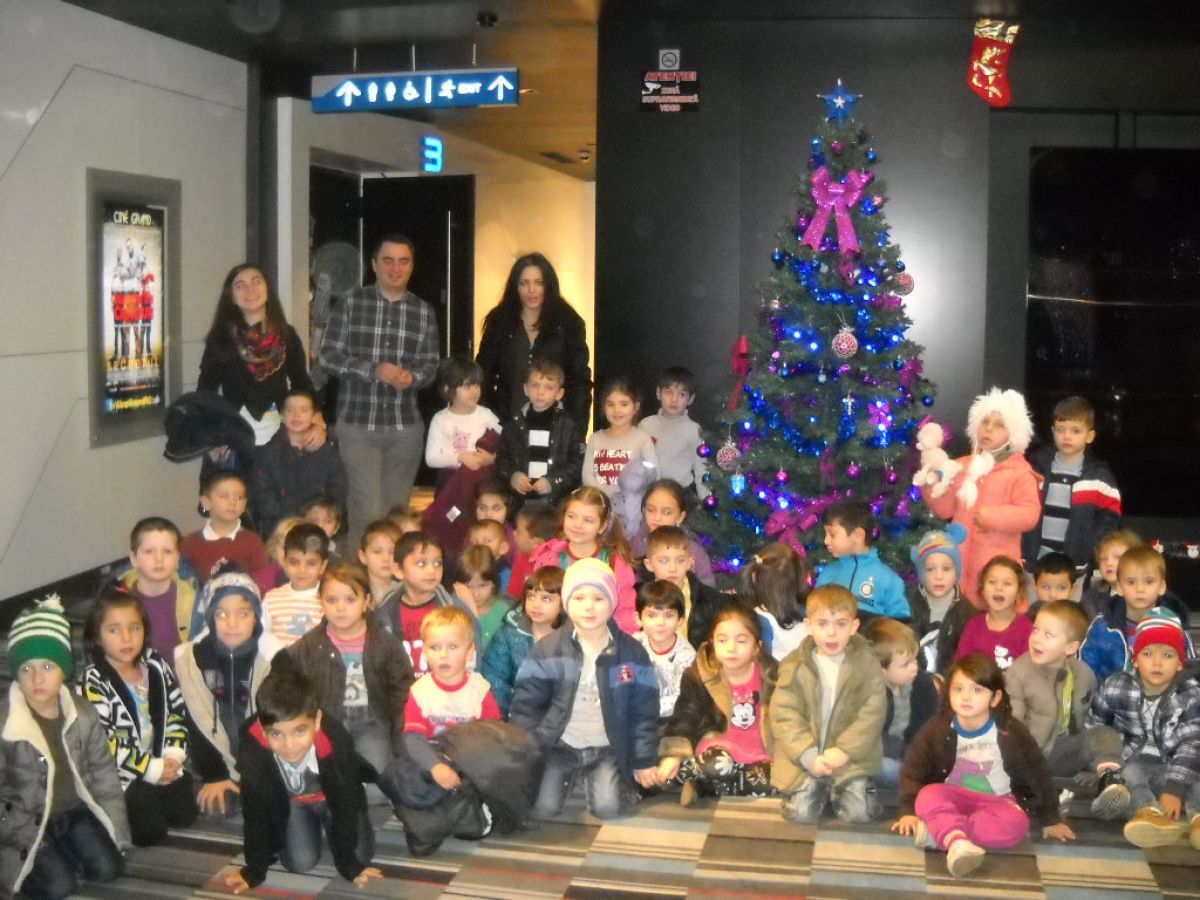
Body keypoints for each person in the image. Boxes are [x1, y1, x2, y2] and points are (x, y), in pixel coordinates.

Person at [891, 654, 1074, 880]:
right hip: (953, 797)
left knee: (1017, 824)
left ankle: (944, 834)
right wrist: (908, 811)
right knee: (928, 795)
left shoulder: (1011, 731)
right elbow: (912, 770)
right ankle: (955, 839)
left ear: (995, 698)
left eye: (977, 690)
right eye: (958, 689)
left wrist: (1050, 818)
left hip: (998, 802)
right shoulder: (937, 728)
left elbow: (1039, 771)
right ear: (948, 693)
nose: (966, 697)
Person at [510, 558, 660, 820]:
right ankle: (572, 777)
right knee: (543, 809)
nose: (589, 607)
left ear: (612, 603)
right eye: (579, 598)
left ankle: (611, 780)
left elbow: (644, 711)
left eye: (598, 599)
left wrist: (643, 760)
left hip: (608, 747)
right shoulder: (547, 650)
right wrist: (528, 751)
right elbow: (526, 706)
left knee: (608, 809)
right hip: (561, 745)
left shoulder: (632, 653)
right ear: (567, 603)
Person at [1, 596, 130, 900]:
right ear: (16, 673)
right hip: (25, 821)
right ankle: (37, 859)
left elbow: (104, 775)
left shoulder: (83, 714)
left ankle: (59, 854)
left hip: (72, 813)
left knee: (109, 868)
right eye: (27, 669)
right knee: (59, 887)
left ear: (65, 670)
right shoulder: (6, 724)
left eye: (48, 666)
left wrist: (117, 831)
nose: (37, 678)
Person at [318, 233, 440, 538]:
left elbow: (430, 366)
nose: (395, 268)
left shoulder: (423, 312)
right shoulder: (350, 303)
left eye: (403, 261)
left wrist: (412, 377)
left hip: (404, 427)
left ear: (412, 266)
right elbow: (328, 356)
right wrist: (374, 370)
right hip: (358, 425)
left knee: (396, 513)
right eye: (388, 260)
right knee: (366, 509)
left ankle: (393, 568)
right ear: (374, 264)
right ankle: (361, 568)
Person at [224, 668, 381, 894]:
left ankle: (335, 827)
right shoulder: (252, 750)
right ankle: (311, 825)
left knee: (360, 856)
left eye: (299, 731)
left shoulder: (335, 742)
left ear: (317, 721)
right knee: (299, 862)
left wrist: (348, 863)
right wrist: (255, 869)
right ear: (262, 728)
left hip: (335, 797)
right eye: (276, 734)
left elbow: (346, 802)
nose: (289, 746)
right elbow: (255, 811)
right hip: (293, 801)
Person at [81, 588, 196, 847]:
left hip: (158, 758)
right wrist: (149, 769)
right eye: (114, 630)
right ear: (97, 636)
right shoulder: (94, 682)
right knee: (149, 833)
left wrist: (172, 756)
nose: (126, 638)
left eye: (134, 628)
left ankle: (158, 787)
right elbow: (104, 744)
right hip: (120, 773)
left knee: (185, 815)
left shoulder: (155, 666)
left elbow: (176, 714)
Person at [274, 563, 414, 776]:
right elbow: (286, 681)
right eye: (331, 600)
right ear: (320, 602)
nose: (340, 608)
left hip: (372, 725)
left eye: (350, 600)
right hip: (326, 725)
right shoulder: (310, 645)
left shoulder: (385, 644)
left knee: (377, 781)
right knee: (327, 779)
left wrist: (400, 740)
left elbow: (401, 694)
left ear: (366, 601)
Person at [383, 607, 502, 855]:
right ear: (424, 651)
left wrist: (460, 765)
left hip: (465, 762)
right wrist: (435, 767)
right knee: (403, 777)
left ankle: (452, 814)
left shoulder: (480, 690)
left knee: (475, 823)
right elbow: (413, 739)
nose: (443, 655)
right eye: (434, 647)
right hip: (428, 761)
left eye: (453, 647)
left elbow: (491, 738)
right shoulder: (420, 691)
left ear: (470, 651)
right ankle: (427, 816)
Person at [769, 585, 885, 824]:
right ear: (808, 626)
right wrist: (809, 756)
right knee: (800, 814)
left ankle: (846, 787)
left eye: (841, 624)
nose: (831, 633)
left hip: (850, 759)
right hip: (806, 760)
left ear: (854, 626)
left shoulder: (867, 664)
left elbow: (871, 713)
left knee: (859, 814)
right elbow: (784, 714)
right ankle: (815, 787)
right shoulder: (794, 666)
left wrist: (845, 751)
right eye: (822, 624)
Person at [1086, 609, 1200, 849]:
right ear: (1135, 660)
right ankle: (1148, 814)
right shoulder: (1116, 686)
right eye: (1148, 654)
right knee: (1129, 777)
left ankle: (1198, 820)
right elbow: (1096, 727)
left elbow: (1192, 744)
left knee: (1197, 780)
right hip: (1135, 759)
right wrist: (1102, 764)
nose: (1157, 663)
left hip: (1178, 763)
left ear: (1180, 664)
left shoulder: (1190, 694)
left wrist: (1174, 788)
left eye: (1168, 655)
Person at [919, 387, 1041, 608]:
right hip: (960, 566)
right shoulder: (962, 466)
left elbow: (1029, 514)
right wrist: (930, 484)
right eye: (985, 422)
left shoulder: (1020, 473)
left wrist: (993, 517)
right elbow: (945, 509)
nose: (989, 428)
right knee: (961, 620)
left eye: (999, 425)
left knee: (994, 620)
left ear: (1013, 434)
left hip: (996, 573)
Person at [198, 263, 320, 470]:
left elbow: (301, 383)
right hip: (234, 439)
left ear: (267, 289)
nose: (250, 289)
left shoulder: (286, 335)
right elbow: (206, 391)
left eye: (256, 282)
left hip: (281, 436)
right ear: (231, 297)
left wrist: (316, 419)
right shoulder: (221, 338)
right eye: (240, 285)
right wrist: (211, 438)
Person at [175, 568, 273, 817]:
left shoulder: (272, 657)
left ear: (256, 617)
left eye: (243, 614)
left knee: (266, 807)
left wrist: (255, 773)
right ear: (210, 618)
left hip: (262, 755)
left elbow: (275, 721)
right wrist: (214, 775)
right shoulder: (193, 659)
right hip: (215, 753)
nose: (232, 624)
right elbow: (195, 720)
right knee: (217, 809)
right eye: (221, 614)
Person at [657, 606, 777, 804]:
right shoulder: (700, 675)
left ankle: (705, 784)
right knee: (717, 764)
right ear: (712, 642)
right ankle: (696, 777)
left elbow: (786, 719)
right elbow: (686, 715)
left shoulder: (772, 677)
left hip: (758, 754)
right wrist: (674, 754)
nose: (731, 648)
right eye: (722, 640)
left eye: (741, 641)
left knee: (780, 778)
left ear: (757, 646)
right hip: (718, 750)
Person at [476, 251, 591, 433]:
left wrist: (576, 430)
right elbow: (482, 374)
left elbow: (579, 382)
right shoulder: (499, 322)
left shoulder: (569, 323)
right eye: (524, 283)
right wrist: (491, 420)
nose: (531, 290)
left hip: (556, 428)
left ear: (548, 285)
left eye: (538, 282)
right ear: (515, 287)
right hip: (507, 425)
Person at [1021, 395, 1122, 572]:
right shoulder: (1035, 468)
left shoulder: (1098, 477)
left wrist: (1089, 548)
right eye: (1060, 430)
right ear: (1053, 431)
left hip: (1075, 567)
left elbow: (1110, 519)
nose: (1066, 436)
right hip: (1034, 562)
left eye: (1076, 431)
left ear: (1090, 436)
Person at [1004, 600, 1101, 776]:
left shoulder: (1084, 674)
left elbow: (1089, 716)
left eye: (1048, 634)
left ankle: (1107, 778)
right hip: (1030, 757)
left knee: (1103, 735)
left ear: (1070, 647)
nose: (1037, 638)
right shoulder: (1018, 673)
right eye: (1035, 629)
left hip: (1065, 751)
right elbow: (1012, 725)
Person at [529, 487, 639, 634]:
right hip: (555, 637)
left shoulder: (614, 561)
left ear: (602, 526)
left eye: (588, 520)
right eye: (571, 516)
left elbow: (625, 610)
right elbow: (537, 602)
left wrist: (619, 640)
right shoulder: (549, 557)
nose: (577, 525)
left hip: (602, 637)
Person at [1080, 544, 1193, 682]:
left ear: (1161, 587)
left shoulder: (1174, 625)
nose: (1140, 589)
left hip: (1163, 694)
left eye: (1149, 581)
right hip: (1112, 693)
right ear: (1119, 587)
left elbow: (1190, 670)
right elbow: (1086, 669)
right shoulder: (1103, 626)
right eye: (1131, 582)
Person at [376, 531, 480, 671]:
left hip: (447, 684)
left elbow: (473, 657)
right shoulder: (384, 612)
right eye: (421, 563)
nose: (432, 570)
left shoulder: (455, 609)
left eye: (438, 563)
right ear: (399, 570)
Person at [251, 387, 347, 537]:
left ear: (314, 417)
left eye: (304, 410)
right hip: (281, 529)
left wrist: (319, 515)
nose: (296, 415)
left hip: (318, 528)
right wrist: (292, 518)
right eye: (290, 410)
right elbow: (264, 496)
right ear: (282, 416)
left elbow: (338, 489)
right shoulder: (268, 453)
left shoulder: (327, 452)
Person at [862, 617, 938, 790]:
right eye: (905, 664)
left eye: (915, 659)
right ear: (881, 671)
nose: (914, 667)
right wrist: (902, 752)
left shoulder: (922, 685)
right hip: (886, 753)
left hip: (914, 757)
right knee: (881, 765)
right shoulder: (868, 692)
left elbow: (930, 728)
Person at [496, 358, 584, 508]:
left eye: (549, 387)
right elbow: (502, 459)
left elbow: (578, 463)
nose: (540, 392)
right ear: (526, 389)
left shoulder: (570, 426)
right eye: (535, 385)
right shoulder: (512, 425)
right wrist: (513, 475)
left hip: (557, 502)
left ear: (559, 393)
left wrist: (554, 481)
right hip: (519, 503)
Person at [481, 566, 565, 718]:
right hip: (515, 718)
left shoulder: (572, 639)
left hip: (559, 722)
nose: (536, 604)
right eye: (531, 596)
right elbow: (493, 679)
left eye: (546, 598)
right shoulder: (508, 633)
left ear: (564, 603)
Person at [118, 516, 199, 659]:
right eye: (149, 551)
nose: (159, 559)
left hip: (181, 672)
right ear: (134, 559)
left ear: (178, 559)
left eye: (167, 551)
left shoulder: (193, 600)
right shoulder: (119, 600)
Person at [640, 525, 733, 650]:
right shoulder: (641, 599)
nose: (672, 568)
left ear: (689, 562)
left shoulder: (709, 601)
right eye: (664, 561)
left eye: (680, 560)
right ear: (649, 564)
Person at [817, 500, 909, 620]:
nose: (826, 541)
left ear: (858, 535)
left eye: (832, 534)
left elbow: (901, 624)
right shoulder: (827, 574)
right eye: (826, 534)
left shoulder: (888, 579)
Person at [906, 525, 978, 677]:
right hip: (911, 679)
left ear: (956, 573)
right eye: (930, 569)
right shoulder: (906, 605)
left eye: (946, 569)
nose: (938, 576)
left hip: (950, 682)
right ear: (921, 574)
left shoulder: (968, 613)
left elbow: (968, 660)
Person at [181, 470, 269, 591]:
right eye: (224, 496)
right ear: (206, 502)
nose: (232, 502)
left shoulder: (252, 542)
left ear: (244, 504)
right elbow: (185, 586)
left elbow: (263, 584)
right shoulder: (190, 543)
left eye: (238, 497)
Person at [424, 357, 501, 485]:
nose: (474, 391)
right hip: (450, 480)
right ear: (447, 389)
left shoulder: (486, 415)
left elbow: (507, 444)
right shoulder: (440, 419)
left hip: (481, 481)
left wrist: (492, 458)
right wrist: (460, 457)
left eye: (476, 385)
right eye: (467, 386)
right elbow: (431, 459)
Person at [638, 366, 710, 499]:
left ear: (691, 399)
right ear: (658, 393)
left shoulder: (694, 430)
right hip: (650, 493)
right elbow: (636, 463)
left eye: (682, 394)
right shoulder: (645, 425)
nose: (674, 399)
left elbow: (701, 470)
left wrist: (705, 502)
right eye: (668, 392)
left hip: (682, 494)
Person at [258, 522, 330, 653]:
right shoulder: (272, 598)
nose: (302, 570)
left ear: (323, 566)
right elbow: (261, 636)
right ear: (285, 561)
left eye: (311, 563)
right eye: (294, 562)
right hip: (279, 664)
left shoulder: (329, 599)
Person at [953, 556, 1033, 671]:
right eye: (992, 582)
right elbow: (961, 666)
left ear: (1019, 592)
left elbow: (1027, 672)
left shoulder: (1026, 628)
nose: (999, 588)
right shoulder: (974, 625)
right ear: (982, 589)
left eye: (1007, 583)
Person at [629, 479, 715, 586]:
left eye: (667, 512)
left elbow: (707, 587)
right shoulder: (634, 547)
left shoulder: (693, 551)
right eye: (651, 510)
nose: (657, 517)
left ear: (680, 517)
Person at [582, 376, 657, 497]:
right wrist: (604, 496)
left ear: (635, 408)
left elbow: (653, 474)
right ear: (604, 407)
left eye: (624, 404)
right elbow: (587, 475)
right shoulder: (595, 438)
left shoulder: (642, 438)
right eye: (610, 404)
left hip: (632, 505)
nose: (617, 410)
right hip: (600, 503)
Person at [633, 580, 697, 722]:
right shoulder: (634, 645)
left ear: (680, 620)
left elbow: (681, 698)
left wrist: (643, 708)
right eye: (652, 615)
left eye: (668, 615)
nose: (660, 623)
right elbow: (622, 677)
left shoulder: (687, 656)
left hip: (672, 721)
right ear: (639, 619)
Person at [742, 543, 810, 661]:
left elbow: (763, 663)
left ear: (755, 578)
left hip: (778, 671)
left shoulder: (761, 619)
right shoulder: (811, 610)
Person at [453, 544, 509, 652]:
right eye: (469, 587)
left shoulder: (504, 613)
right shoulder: (452, 611)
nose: (476, 594)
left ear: (493, 583)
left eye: (482, 585)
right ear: (458, 586)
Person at [1077, 528, 1142, 620]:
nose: (1109, 563)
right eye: (1104, 558)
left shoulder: (1145, 595)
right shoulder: (1090, 598)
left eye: (1117, 557)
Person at [505, 504, 559, 598]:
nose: (514, 533)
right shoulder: (521, 558)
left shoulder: (556, 562)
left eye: (519, 531)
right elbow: (513, 594)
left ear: (536, 543)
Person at [357, 519, 402, 608]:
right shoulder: (355, 590)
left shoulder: (405, 591)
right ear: (363, 556)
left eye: (392, 552)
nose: (386, 558)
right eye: (377, 552)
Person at [1028, 551, 1076, 617]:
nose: (1053, 595)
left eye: (1061, 588)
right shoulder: (1028, 619)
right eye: (1046, 587)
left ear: (1072, 589)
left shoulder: (1077, 620)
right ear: (1035, 586)